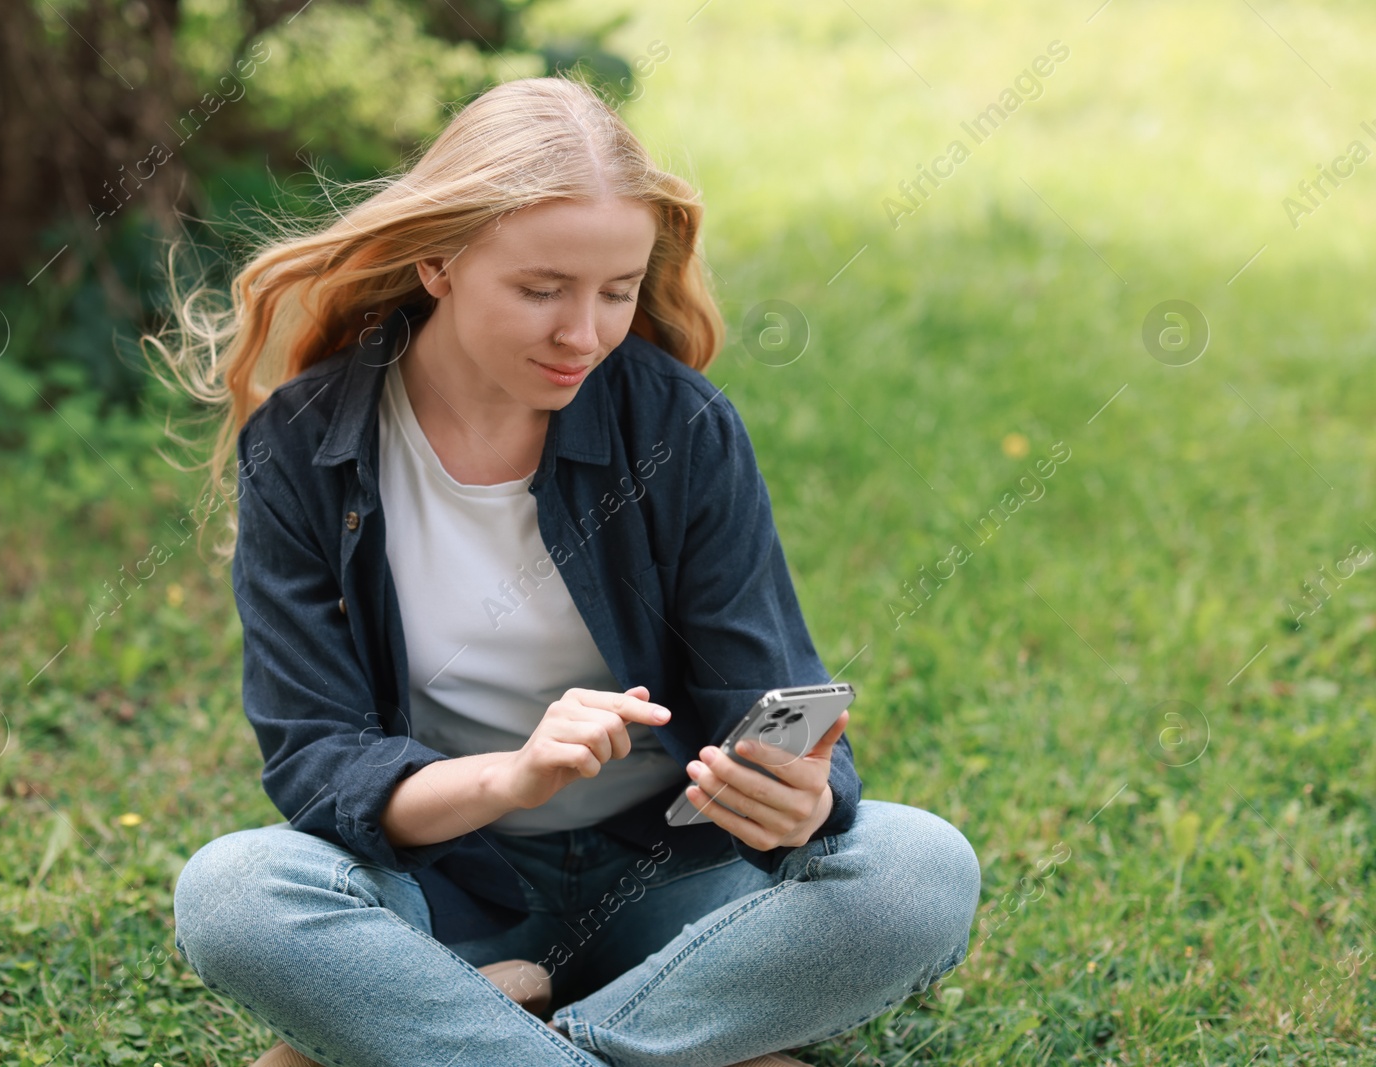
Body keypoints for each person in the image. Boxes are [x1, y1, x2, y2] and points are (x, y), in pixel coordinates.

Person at [151, 75, 981, 1067]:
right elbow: (319, 761)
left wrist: (804, 795)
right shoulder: (305, 441)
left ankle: (489, 1033)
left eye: (617, 292)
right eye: (540, 289)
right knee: (233, 889)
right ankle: (660, 1036)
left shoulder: (678, 424)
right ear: (437, 262)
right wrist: (514, 773)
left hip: (670, 881)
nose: (581, 333)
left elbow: (763, 689)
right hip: (446, 887)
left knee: (918, 868)